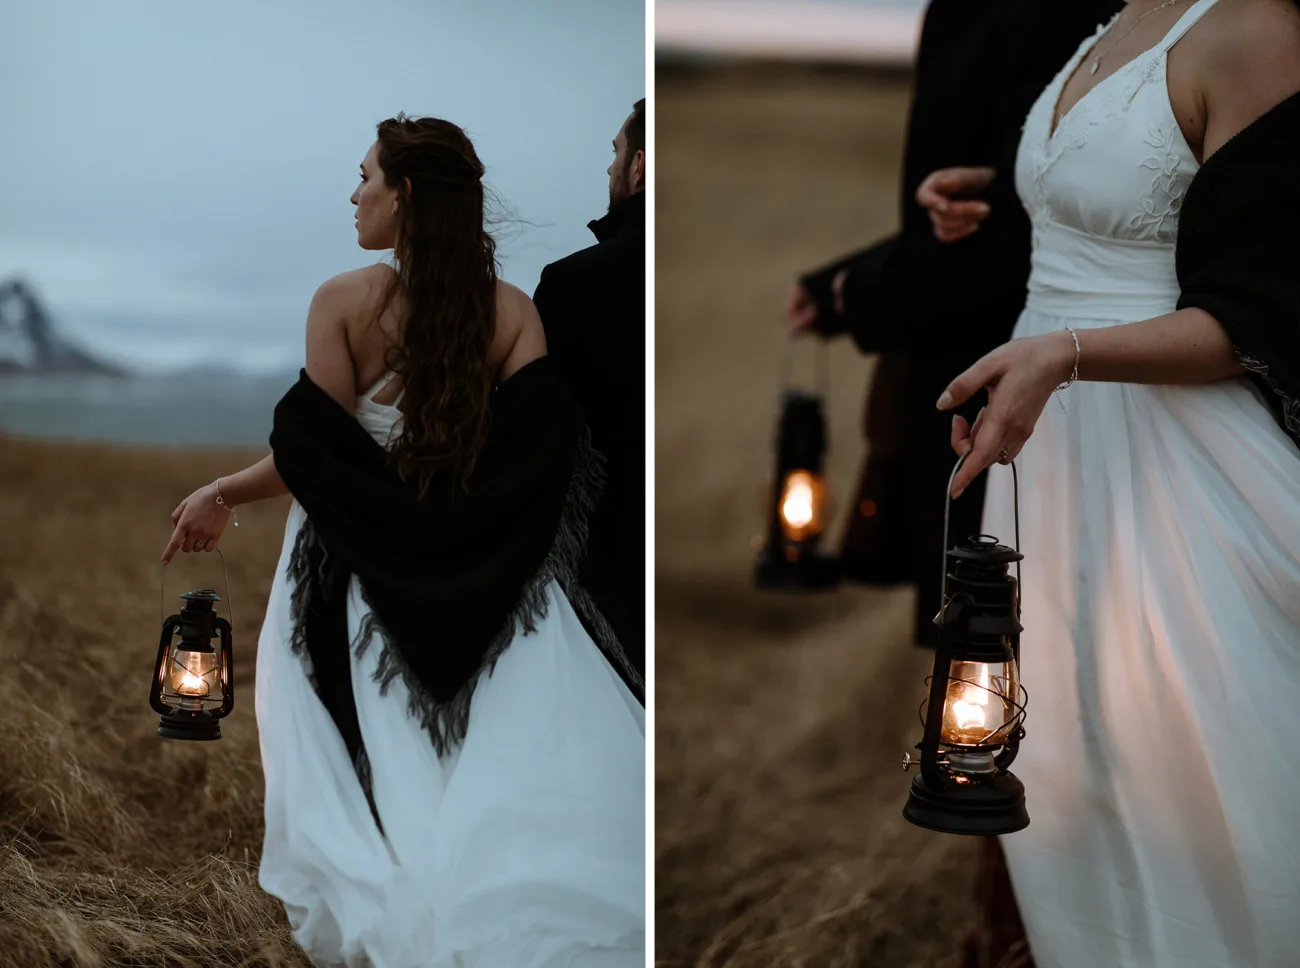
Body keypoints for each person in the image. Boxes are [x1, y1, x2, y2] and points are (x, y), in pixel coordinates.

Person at [162, 115, 646, 968]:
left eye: (364, 177)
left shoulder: (343, 301)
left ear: (406, 192)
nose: (353, 195)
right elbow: (540, 455)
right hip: (485, 571)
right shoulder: (513, 313)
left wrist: (222, 492)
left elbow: (320, 454)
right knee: (491, 761)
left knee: (373, 762)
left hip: (353, 568)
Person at [931, 1, 1300, 965]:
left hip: (1170, 455)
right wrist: (1008, 199)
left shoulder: (1257, 30)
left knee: (1206, 792)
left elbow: (1256, 316)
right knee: (1066, 779)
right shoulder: (1110, 19)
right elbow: (1138, 204)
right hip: (1051, 460)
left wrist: (1068, 354)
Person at [786, 0, 1121, 647]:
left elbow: (1009, 234)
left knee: (1010, 645)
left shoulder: (1051, 15)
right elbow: (960, 208)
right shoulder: (954, 11)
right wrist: (840, 284)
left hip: (1023, 386)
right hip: (968, 372)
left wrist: (858, 292)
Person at [533, 99, 646, 660]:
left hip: (598, 567)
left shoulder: (572, 284)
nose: (608, 169)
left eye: (615, 154)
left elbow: (533, 433)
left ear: (640, 167)